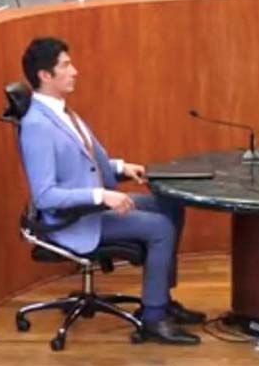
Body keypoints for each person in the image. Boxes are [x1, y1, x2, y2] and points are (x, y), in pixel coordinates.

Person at [18, 37, 205, 345]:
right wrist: (101, 196)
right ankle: (153, 318)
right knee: (159, 227)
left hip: (91, 207)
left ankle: (162, 298)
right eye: (66, 65)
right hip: (74, 220)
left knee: (171, 205)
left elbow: (86, 157)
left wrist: (120, 167)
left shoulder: (61, 111)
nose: (75, 71)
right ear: (45, 75)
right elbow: (46, 196)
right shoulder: (37, 125)